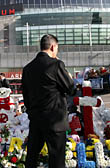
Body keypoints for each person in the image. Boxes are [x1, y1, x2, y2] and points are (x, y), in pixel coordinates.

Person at [22, 34, 76, 168]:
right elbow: (71, 89)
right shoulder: (56, 64)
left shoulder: (28, 68)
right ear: (53, 47)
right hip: (55, 120)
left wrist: (32, 113)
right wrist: (68, 74)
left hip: (36, 120)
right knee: (56, 159)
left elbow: (26, 97)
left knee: (32, 157)